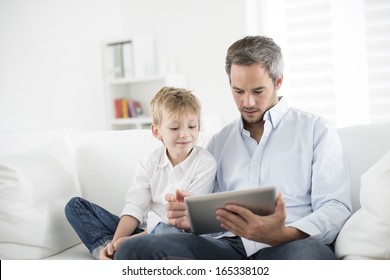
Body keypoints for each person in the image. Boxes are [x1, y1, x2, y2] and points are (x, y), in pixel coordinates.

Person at [114, 35, 352, 260]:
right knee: (134, 249)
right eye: (238, 91)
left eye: (258, 91)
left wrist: (285, 234)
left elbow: (335, 207)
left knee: (303, 257)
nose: (247, 102)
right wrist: (191, 221)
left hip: (290, 243)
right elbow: (210, 213)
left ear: (278, 82)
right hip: (228, 246)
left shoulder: (315, 130)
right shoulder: (220, 141)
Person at [65, 86, 217, 259]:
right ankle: (109, 253)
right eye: (175, 128)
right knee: (75, 206)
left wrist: (130, 242)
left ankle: (125, 251)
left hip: (176, 233)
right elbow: (134, 207)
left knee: (170, 229)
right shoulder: (149, 161)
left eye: (192, 126)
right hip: (145, 232)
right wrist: (117, 242)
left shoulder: (206, 163)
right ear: (157, 132)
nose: (185, 134)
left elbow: (188, 221)